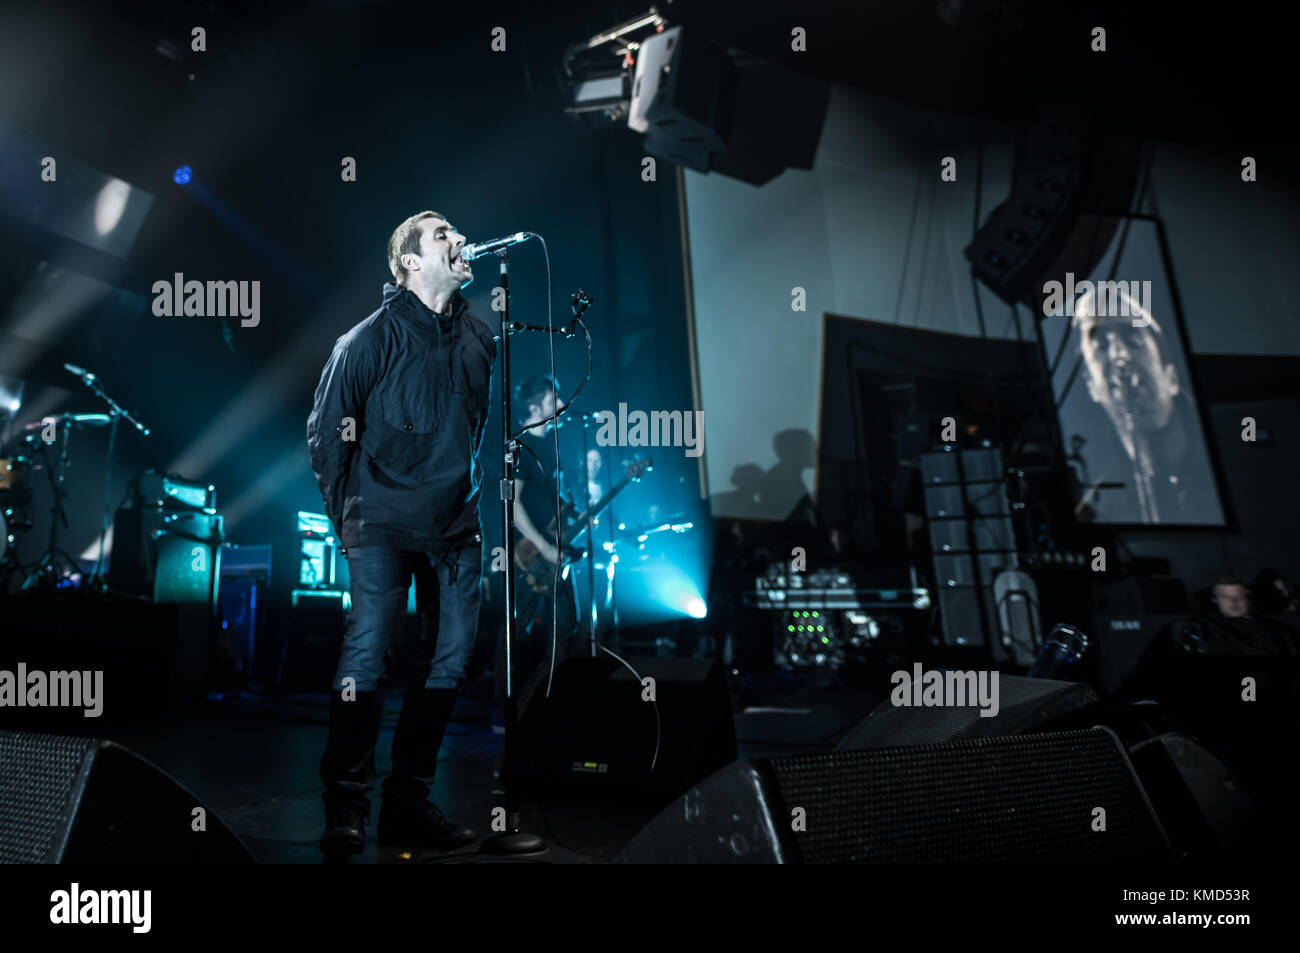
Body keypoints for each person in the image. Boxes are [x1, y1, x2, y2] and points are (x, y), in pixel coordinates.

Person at [307, 210, 495, 855]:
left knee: (449, 661)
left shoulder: (480, 336)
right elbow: (327, 435)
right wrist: (351, 522)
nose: (459, 239)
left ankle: (407, 806)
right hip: (380, 520)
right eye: (443, 235)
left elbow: (477, 431)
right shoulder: (365, 340)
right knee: (368, 656)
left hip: (456, 526)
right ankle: (346, 808)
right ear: (410, 261)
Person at [1074, 287, 1217, 524]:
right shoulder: (1100, 506)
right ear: (1091, 387)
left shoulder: (1223, 456)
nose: (1119, 356)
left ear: (1171, 377)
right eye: (1100, 347)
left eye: (1133, 340)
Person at [492, 375, 584, 733]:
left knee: (566, 628)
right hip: (527, 554)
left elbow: (559, 506)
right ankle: (505, 710)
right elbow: (512, 506)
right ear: (534, 407)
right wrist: (544, 545)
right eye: (553, 397)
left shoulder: (556, 448)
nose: (561, 401)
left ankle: (545, 703)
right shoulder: (521, 446)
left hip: (554, 552)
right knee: (516, 628)